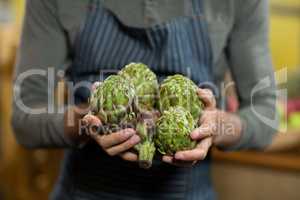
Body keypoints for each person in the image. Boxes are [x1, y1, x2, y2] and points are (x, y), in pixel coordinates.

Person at [11, 0, 277, 199]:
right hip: (85, 191)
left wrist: (216, 126)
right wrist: (89, 121)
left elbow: (265, 116)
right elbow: (25, 121)